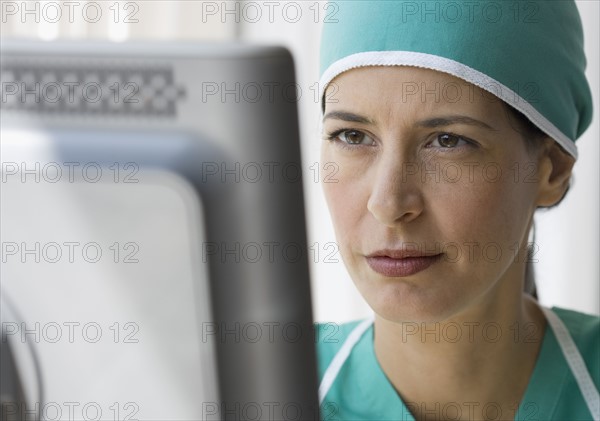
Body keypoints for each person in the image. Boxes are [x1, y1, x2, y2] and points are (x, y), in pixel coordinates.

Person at [315, 1, 599, 420]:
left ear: (551, 170)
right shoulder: (248, 385)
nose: (388, 204)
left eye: (448, 141)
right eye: (352, 135)